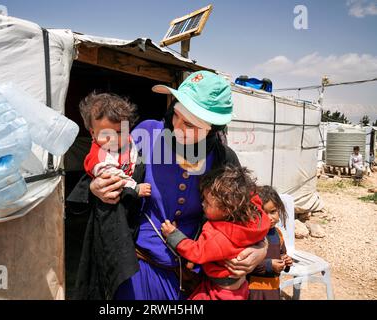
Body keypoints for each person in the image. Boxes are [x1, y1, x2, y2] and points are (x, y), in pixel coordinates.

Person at [71, 70, 268, 300]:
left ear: (212, 128)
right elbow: (106, 163)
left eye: (191, 125)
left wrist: (260, 248)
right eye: (176, 116)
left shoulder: (224, 160)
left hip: (191, 278)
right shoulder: (147, 134)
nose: (177, 128)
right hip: (137, 268)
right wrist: (95, 186)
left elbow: (249, 213)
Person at [73, 92, 151, 300]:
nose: (114, 139)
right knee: (110, 277)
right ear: (92, 133)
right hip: (110, 224)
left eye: (120, 132)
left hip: (135, 227)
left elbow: (133, 156)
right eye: (106, 134)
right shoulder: (98, 156)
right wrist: (135, 188)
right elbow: (113, 177)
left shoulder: (131, 142)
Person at [161, 166, 271, 300]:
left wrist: (173, 235)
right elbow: (255, 199)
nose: (202, 204)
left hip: (221, 293)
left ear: (226, 210)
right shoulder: (255, 219)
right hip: (239, 287)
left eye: (207, 203)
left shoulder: (220, 236)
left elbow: (197, 252)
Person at [248, 185, 293, 300]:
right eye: (263, 213)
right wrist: (269, 265)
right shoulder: (251, 236)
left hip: (273, 288)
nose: (269, 218)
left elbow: (282, 254)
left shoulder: (278, 234)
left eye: (273, 212)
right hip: (254, 289)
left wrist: (286, 261)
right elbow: (247, 264)